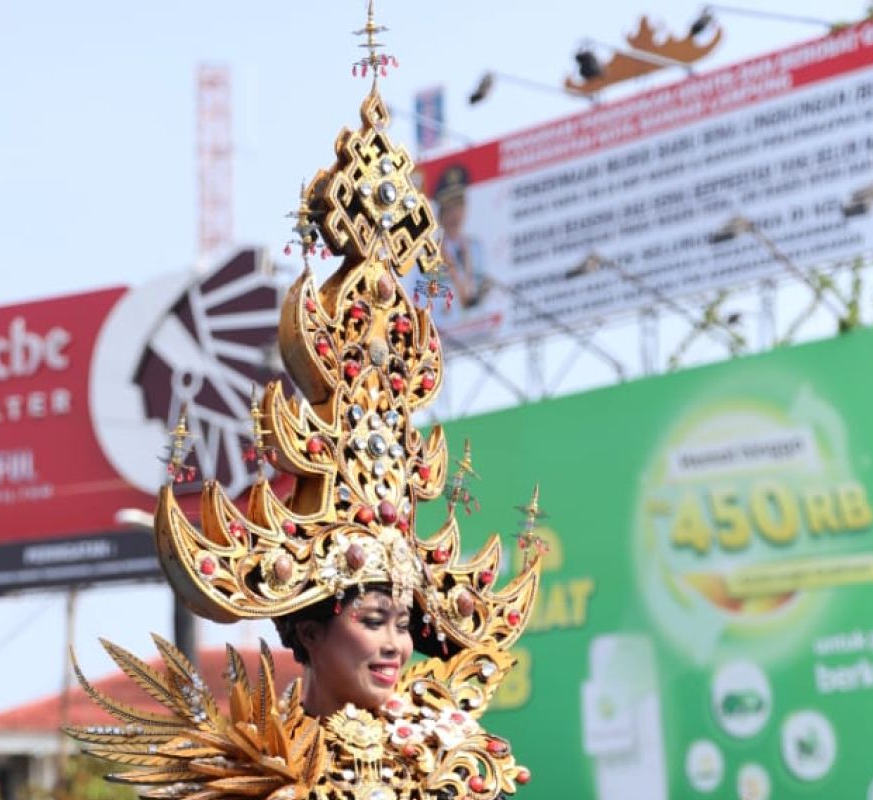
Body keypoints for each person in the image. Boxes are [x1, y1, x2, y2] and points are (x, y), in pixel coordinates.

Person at [67, 11, 542, 800]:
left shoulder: (450, 760)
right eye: (373, 620)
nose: (395, 644)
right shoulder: (264, 774)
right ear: (310, 632)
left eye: (400, 621)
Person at [275, 586, 412, 718]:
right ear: (310, 635)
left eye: (403, 626)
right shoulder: (269, 740)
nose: (395, 646)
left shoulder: (427, 737)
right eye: (374, 622)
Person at [435, 164, 491, 310]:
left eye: (459, 207)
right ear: (440, 215)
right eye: (449, 208)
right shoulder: (431, 255)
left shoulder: (476, 247)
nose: (455, 215)